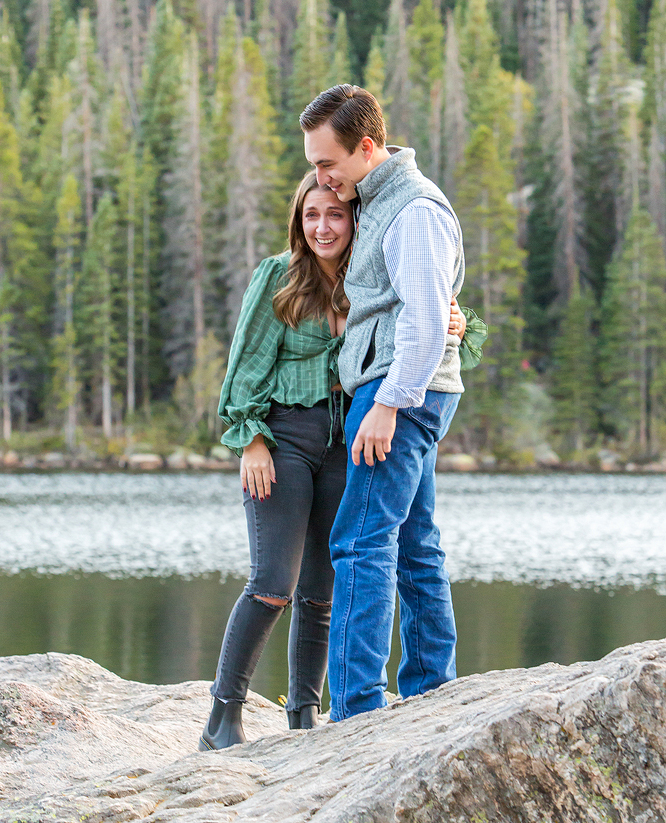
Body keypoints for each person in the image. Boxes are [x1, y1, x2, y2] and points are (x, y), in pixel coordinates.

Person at [199, 169, 470, 749]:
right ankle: (223, 717)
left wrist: (458, 320)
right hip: (283, 442)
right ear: (298, 223)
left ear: (354, 219)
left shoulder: (369, 279)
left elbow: (424, 319)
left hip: (345, 443)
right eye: (311, 216)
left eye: (335, 215)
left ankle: (303, 715)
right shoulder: (278, 276)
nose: (322, 227)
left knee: (322, 589)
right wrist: (250, 442)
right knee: (273, 583)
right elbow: (243, 368)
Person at [301, 84, 475, 722]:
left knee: (360, 541)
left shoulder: (413, 211)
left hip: (398, 391)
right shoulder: (377, 199)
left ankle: (356, 712)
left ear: (367, 147)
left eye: (328, 164)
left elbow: (427, 321)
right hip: (405, 387)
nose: (321, 176)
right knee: (415, 543)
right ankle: (431, 693)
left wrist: (389, 404)